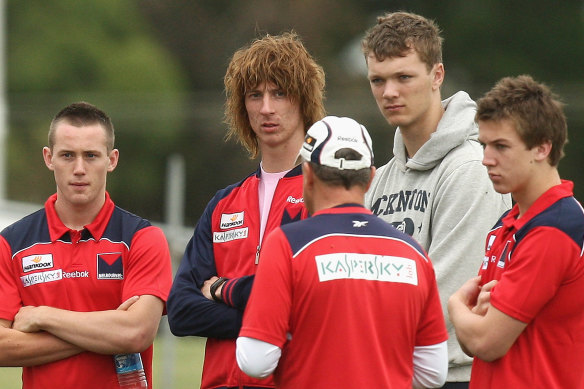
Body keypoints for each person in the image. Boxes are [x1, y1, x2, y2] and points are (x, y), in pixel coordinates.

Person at [236, 116, 448, 388]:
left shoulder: (287, 244)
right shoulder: (414, 253)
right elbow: (433, 372)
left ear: (308, 174)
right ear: (371, 177)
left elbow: (255, 361)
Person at [166, 32, 326, 389]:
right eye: (255, 95)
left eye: (279, 93)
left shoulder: (326, 194)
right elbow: (179, 312)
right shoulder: (224, 203)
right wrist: (272, 321)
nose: (266, 107)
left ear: (303, 101)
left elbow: (314, 302)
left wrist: (222, 291)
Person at [361, 11, 511, 387]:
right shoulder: (381, 179)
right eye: (378, 80)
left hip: (453, 376)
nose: (389, 92)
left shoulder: (472, 169)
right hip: (389, 372)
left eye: (403, 77)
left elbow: (447, 296)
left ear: (437, 76)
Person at [0, 101, 173, 388]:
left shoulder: (143, 238)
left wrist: (43, 316)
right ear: (48, 158)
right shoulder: (11, 243)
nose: (79, 168)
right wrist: (106, 331)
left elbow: (136, 335)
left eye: (91, 155)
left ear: (112, 159)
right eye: (67, 155)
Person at [448, 75, 584, 388]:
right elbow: (473, 343)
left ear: (542, 148)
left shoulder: (556, 228)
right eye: (484, 144)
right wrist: (473, 321)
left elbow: (486, 343)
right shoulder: (507, 224)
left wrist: (455, 305)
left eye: (501, 146)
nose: (486, 159)